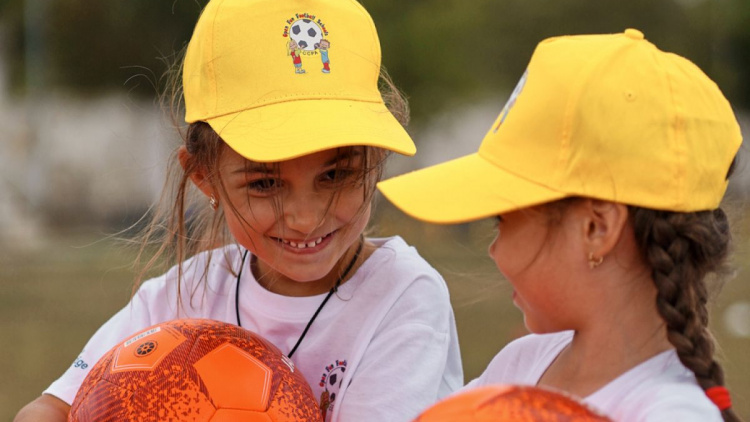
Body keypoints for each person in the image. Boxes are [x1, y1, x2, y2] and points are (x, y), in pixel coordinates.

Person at [14, 0, 463, 421]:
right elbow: (51, 408)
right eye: (265, 184)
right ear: (204, 176)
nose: (305, 218)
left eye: (336, 174)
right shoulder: (179, 297)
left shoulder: (403, 296)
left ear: (376, 159)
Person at [379, 29, 742, 422]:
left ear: (595, 229)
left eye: (502, 219)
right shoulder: (524, 363)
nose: (493, 249)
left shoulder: (673, 415)